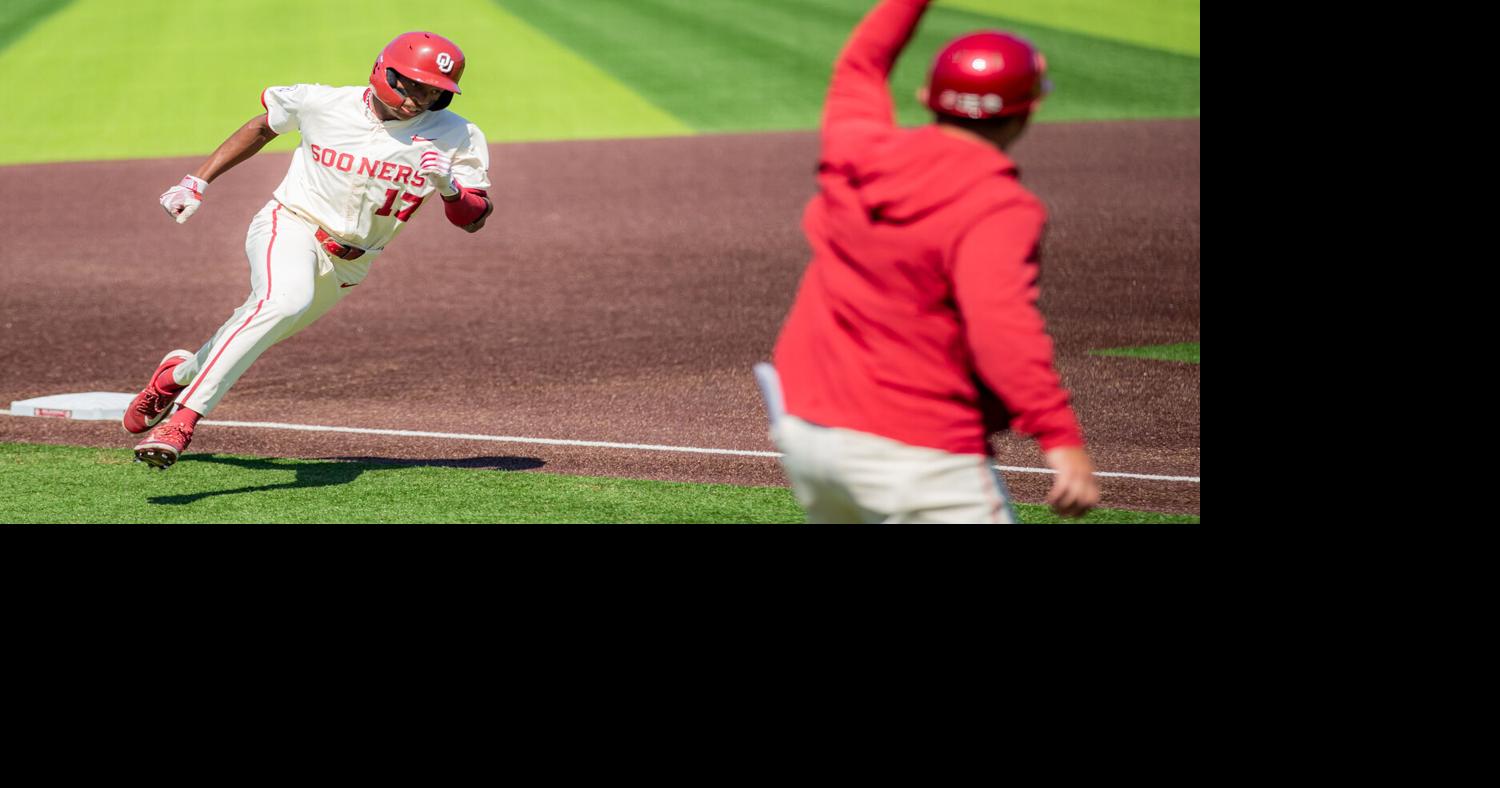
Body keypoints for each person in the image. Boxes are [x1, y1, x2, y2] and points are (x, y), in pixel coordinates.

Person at [763, 0, 1100, 523]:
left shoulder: (857, 152)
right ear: (1030, 108)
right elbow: (1001, 328)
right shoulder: (997, 206)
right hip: (920, 454)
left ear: (926, 97)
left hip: (808, 433)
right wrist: (1059, 437)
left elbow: (860, 63)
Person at [126, 31, 494, 469]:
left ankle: (175, 376)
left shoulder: (457, 135)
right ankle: (181, 423)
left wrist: (449, 188)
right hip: (292, 225)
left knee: (258, 330)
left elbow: (473, 218)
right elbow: (262, 126)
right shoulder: (323, 103)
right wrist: (196, 181)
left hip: (351, 264)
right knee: (284, 301)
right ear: (384, 71)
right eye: (412, 85)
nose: (420, 99)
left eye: (433, 91)